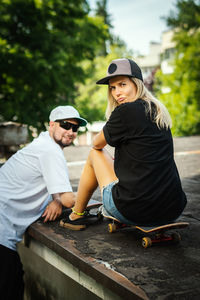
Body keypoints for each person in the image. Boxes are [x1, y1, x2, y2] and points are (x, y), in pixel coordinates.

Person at [60, 58, 187, 231]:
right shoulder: (157, 110)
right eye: (112, 87)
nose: (117, 92)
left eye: (122, 84)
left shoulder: (125, 111)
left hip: (135, 210)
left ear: (136, 84)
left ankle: (76, 216)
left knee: (95, 154)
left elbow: (96, 143)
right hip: (173, 208)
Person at [0, 105, 87, 300]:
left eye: (75, 128)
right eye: (66, 125)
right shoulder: (50, 150)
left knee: (13, 282)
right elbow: (69, 199)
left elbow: (54, 192)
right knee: (10, 289)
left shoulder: (42, 143)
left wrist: (56, 200)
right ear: (51, 124)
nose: (71, 132)